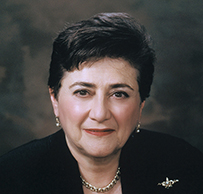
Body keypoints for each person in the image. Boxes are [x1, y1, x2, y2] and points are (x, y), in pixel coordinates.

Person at [0, 12, 203, 194]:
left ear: (141, 104)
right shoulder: (11, 177)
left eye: (119, 94)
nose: (100, 113)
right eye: (82, 92)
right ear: (55, 99)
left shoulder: (183, 162)